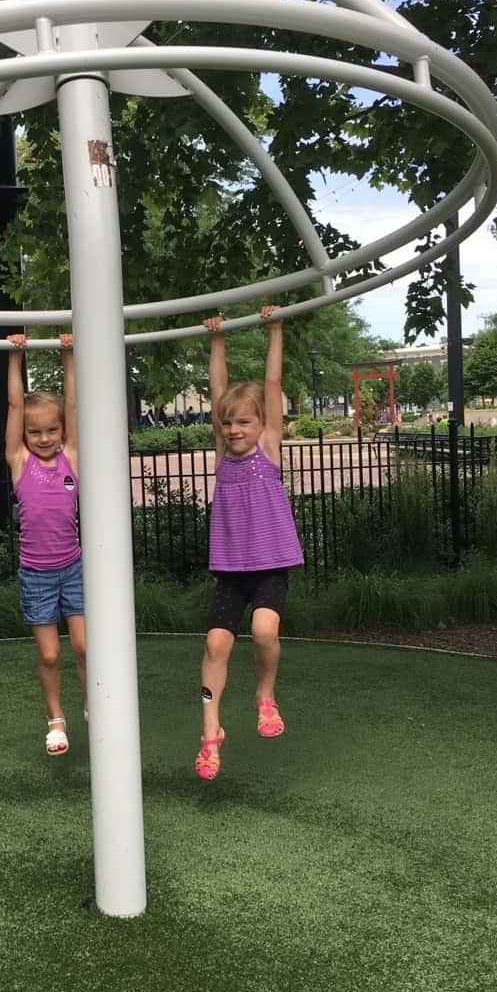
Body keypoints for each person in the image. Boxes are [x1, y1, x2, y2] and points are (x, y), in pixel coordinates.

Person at [195, 306, 304, 781]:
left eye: (244, 422)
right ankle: (210, 732)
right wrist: (216, 341)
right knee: (216, 643)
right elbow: (218, 390)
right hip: (231, 569)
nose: (234, 430)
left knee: (262, 632)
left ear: (261, 424)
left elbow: (272, 386)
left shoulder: (267, 448)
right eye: (228, 424)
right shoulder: (224, 453)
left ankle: (265, 694)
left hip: (270, 563)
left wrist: (274, 331)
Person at [6, 333, 86, 755]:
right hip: (36, 573)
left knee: (85, 645)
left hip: (72, 567)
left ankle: (95, 702)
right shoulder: (20, 463)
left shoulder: (72, 454)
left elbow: (73, 406)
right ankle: (56, 718)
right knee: (52, 655)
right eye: (34, 432)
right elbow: (15, 406)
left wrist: (68, 355)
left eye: (50, 430)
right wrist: (15, 357)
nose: (43, 437)